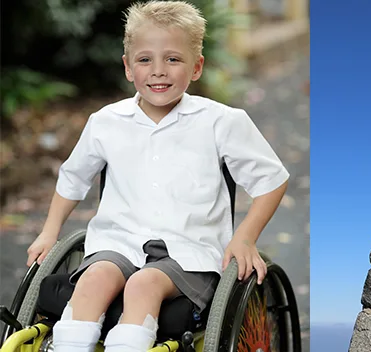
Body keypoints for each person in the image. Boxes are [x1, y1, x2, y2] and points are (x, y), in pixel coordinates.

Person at [25, 1, 289, 351]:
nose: (158, 71)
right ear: (128, 68)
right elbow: (73, 178)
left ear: (196, 67)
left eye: (173, 59)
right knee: (94, 280)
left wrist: (244, 237)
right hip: (117, 244)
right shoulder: (106, 122)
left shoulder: (222, 122)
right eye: (145, 59)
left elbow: (271, 180)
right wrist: (49, 232)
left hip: (189, 254)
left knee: (142, 285)